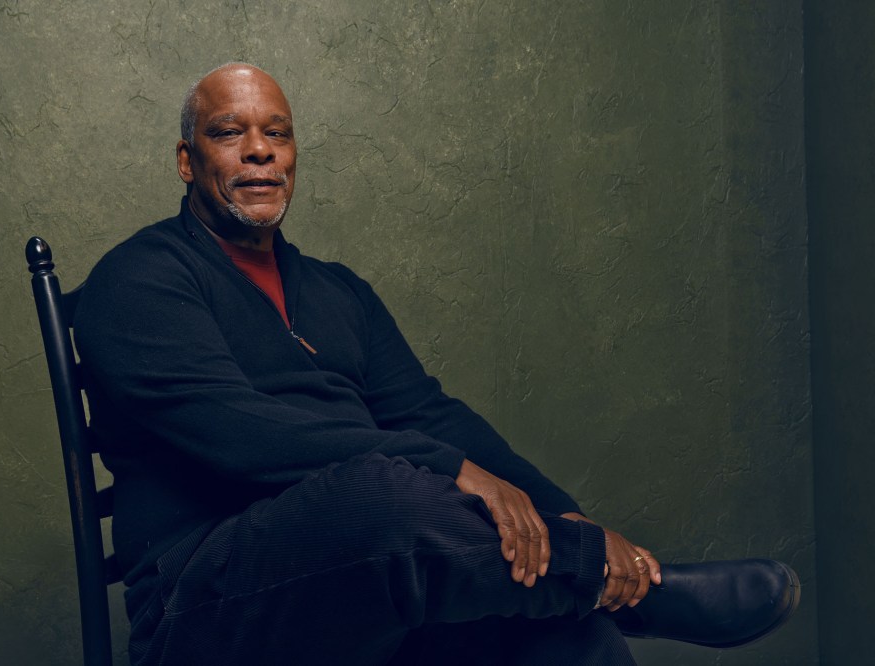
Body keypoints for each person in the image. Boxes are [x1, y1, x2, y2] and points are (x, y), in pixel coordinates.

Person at [74, 63, 799, 665]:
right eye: (229, 133)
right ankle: (637, 589)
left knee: (568, 640)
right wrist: (443, 467)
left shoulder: (337, 291)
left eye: (278, 134)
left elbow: (427, 412)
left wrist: (558, 510)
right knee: (385, 493)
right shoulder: (136, 281)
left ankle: (607, 593)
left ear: (294, 157)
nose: (258, 150)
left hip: (367, 591)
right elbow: (239, 435)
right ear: (186, 159)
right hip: (207, 602)